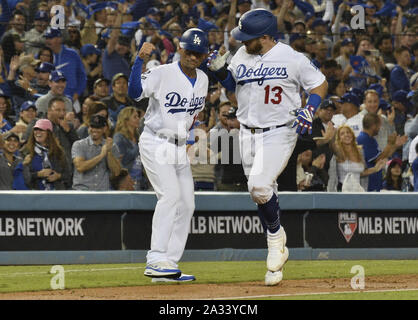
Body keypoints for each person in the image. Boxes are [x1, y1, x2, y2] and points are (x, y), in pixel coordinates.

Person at [207, 9, 328, 286]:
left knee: (258, 187)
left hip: (279, 132)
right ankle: (276, 267)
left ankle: (275, 239)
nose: (242, 41)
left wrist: (310, 109)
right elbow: (233, 84)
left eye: (247, 37)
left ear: (265, 36)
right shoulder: (242, 55)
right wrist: (220, 72)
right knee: (263, 193)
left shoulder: (292, 58)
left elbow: (319, 83)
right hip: (246, 132)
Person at [128, 28, 209, 282]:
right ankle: (155, 258)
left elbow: (193, 116)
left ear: (203, 55)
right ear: (180, 49)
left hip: (178, 147)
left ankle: (168, 266)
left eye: (198, 53)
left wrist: (188, 138)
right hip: (155, 140)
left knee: (187, 204)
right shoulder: (163, 73)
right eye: (189, 51)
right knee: (170, 195)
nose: (193, 57)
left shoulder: (204, 80)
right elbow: (134, 93)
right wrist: (139, 61)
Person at [357, 113, 407, 191]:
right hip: (368, 183)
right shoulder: (364, 139)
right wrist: (389, 145)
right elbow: (378, 160)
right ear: (373, 126)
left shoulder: (370, 139)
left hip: (374, 182)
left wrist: (395, 146)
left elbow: (383, 156)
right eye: (379, 126)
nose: (379, 128)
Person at [328, 125, 386, 192]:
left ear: (352, 135)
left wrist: (375, 169)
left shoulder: (360, 151)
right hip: (343, 191)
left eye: (348, 132)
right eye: (342, 134)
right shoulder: (338, 152)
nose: (346, 135)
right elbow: (332, 146)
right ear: (339, 138)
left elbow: (360, 173)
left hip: (359, 190)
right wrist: (331, 137)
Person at [71, 114, 121, 191]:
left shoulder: (112, 146)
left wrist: (108, 152)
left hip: (102, 193)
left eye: (98, 127)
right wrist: (101, 155)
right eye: (92, 126)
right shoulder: (79, 145)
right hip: (82, 192)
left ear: (104, 129)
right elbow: (80, 167)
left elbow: (116, 172)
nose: (94, 130)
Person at [22, 119, 71, 190]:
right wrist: (38, 174)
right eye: (36, 129)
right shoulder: (26, 151)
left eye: (41, 130)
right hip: (34, 194)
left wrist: (58, 176)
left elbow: (68, 175)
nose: (37, 132)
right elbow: (20, 176)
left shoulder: (58, 152)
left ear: (49, 133)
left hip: (56, 193)